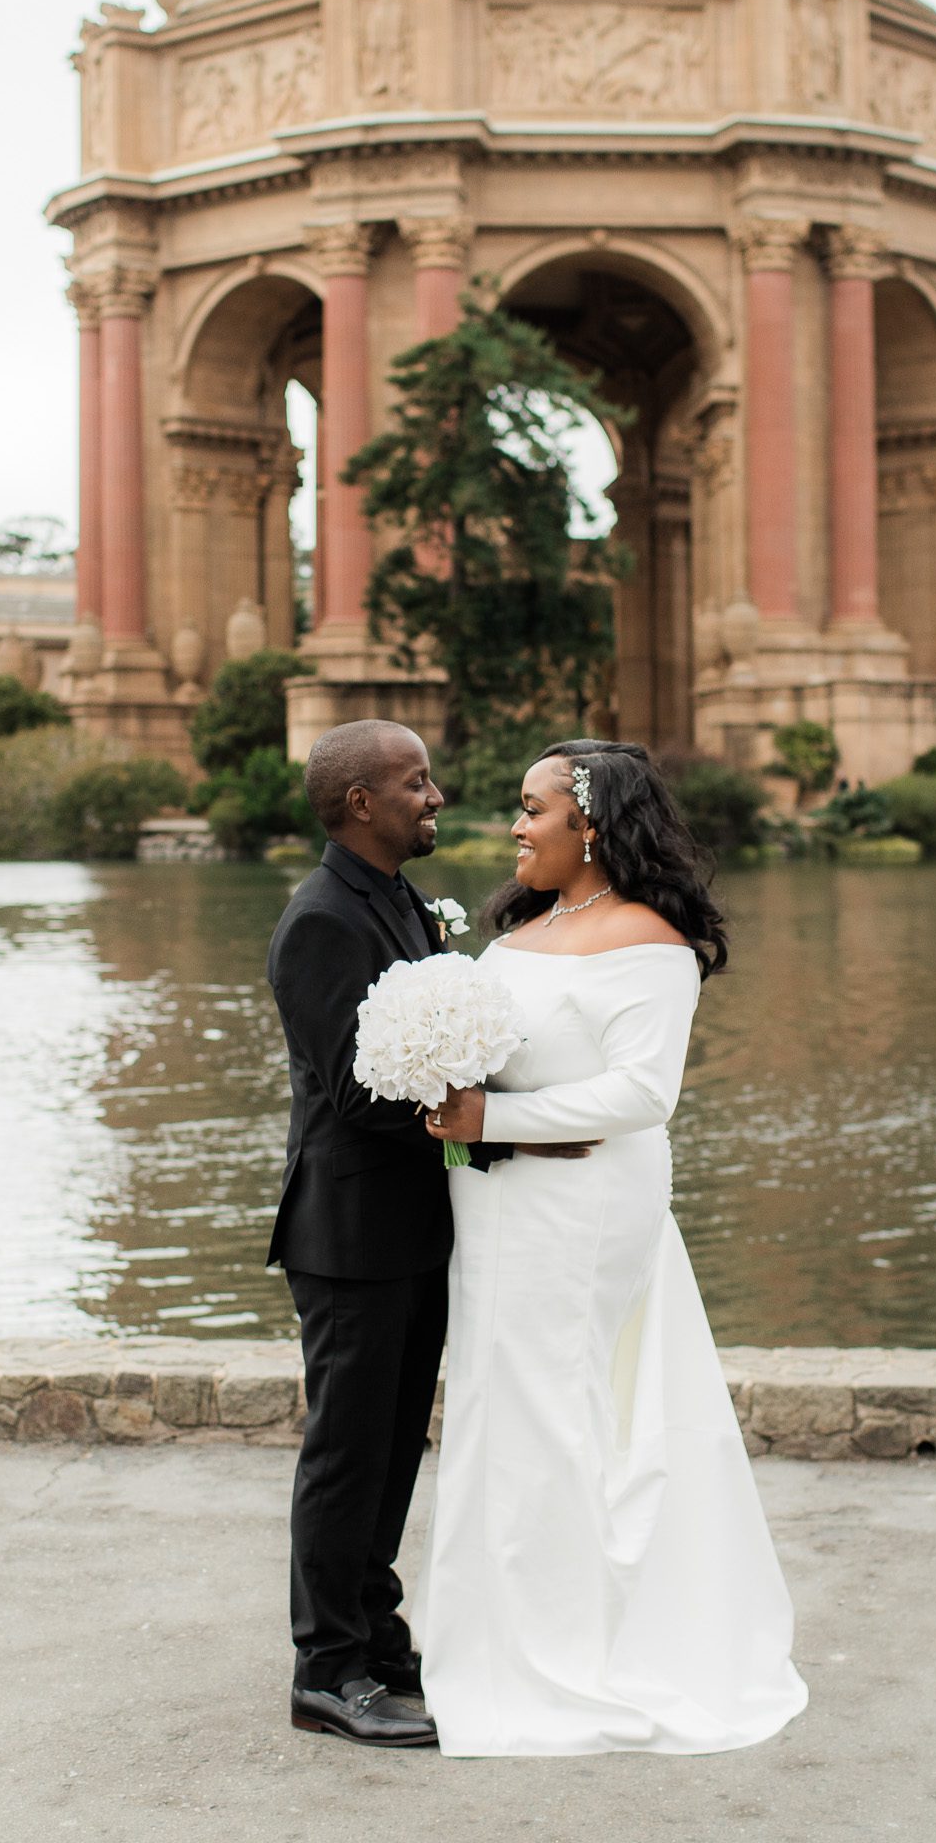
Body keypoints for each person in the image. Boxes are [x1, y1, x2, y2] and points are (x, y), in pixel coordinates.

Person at [421, 739, 808, 1756]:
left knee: (558, 1405)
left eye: (531, 808)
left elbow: (644, 1094)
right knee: (501, 1405)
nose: (514, 824)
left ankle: (568, 1646)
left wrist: (486, 1126)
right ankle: (488, 1635)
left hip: (585, 1204)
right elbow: (487, 1074)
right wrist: (451, 1123)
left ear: (588, 823)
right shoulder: (521, 932)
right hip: (496, 1204)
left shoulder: (649, 940)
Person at [266, 718, 588, 1749]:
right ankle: (326, 1667)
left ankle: (381, 1638)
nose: (435, 793)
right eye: (415, 781)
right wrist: (474, 1103)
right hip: (350, 1231)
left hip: (412, 1225)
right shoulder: (321, 918)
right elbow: (352, 1090)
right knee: (347, 1453)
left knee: (396, 1444)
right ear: (361, 802)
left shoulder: (401, 901)